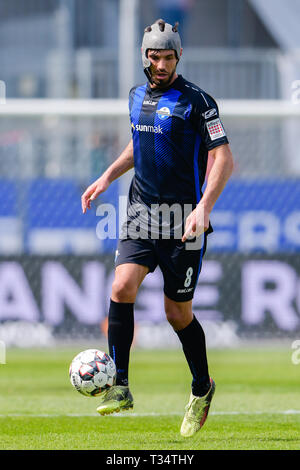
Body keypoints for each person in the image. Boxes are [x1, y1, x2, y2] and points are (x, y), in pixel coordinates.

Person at [81, 19, 234, 438]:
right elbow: (139, 142)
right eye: (155, 56)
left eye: (168, 56)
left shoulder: (197, 101)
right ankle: (120, 385)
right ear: (145, 57)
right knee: (120, 289)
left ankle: (202, 388)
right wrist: (107, 177)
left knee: (176, 313)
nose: (161, 63)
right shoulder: (135, 97)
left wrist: (203, 207)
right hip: (140, 215)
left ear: (178, 56)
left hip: (184, 222)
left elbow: (223, 159)